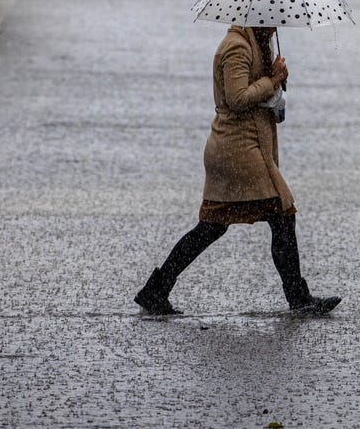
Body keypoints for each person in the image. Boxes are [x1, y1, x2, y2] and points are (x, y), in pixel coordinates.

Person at [133, 26, 341, 316]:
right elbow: (237, 98)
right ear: (256, 17)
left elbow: (261, 94)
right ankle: (299, 299)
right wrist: (272, 80)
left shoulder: (257, 43)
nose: (275, 26)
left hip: (244, 149)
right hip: (238, 151)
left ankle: (156, 289)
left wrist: (278, 78)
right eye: (270, 18)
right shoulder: (237, 47)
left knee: (213, 226)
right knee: (281, 216)